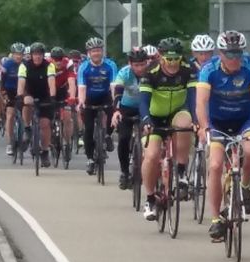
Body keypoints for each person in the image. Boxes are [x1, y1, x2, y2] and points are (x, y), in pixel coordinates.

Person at [195, 30, 250, 242]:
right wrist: (204, 127)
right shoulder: (209, 70)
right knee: (216, 166)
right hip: (217, 122)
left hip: (244, 121)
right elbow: (201, 102)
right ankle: (216, 219)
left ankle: (245, 187)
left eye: (238, 54)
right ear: (220, 53)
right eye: (229, 55)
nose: (234, 59)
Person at [139, 37, 197, 221]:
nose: (172, 63)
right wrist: (146, 119)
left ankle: (180, 172)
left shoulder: (188, 70)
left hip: (178, 111)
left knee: (186, 126)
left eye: (176, 59)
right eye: (168, 59)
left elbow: (194, 98)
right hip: (154, 117)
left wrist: (197, 120)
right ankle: (149, 199)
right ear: (161, 57)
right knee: (151, 156)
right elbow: (143, 101)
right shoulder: (151, 72)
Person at [77, 37, 117, 175]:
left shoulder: (110, 65)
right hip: (89, 98)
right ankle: (90, 159)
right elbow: (81, 87)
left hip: (105, 96)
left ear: (102, 51)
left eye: (99, 50)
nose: (96, 53)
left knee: (113, 111)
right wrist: (81, 102)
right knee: (88, 129)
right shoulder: (84, 67)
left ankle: (108, 136)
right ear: (89, 52)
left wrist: (115, 102)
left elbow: (113, 86)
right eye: (93, 51)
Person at [112, 47, 151, 189]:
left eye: (142, 64)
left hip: (146, 109)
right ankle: (124, 171)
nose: (140, 68)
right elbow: (117, 92)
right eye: (136, 65)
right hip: (126, 108)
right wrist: (116, 110)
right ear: (130, 63)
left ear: (147, 62)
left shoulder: (151, 72)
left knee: (148, 137)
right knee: (123, 138)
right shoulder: (124, 73)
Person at [16, 43, 56, 165]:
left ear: (43, 55)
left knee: (45, 124)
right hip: (30, 92)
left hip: (44, 94)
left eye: (40, 54)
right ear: (31, 55)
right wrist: (19, 96)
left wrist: (53, 97)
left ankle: (44, 152)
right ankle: (27, 128)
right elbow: (21, 82)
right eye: (35, 54)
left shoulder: (49, 65)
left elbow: (51, 82)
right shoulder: (24, 65)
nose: (37, 57)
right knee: (27, 102)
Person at [50, 46, 78, 158]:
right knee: (47, 118)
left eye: (60, 59)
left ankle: (67, 143)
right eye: (55, 59)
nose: (58, 62)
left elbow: (71, 81)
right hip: (50, 90)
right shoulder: (47, 63)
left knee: (67, 118)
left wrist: (72, 97)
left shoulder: (68, 63)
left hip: (63, 90)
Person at [0, 44, 25, 154]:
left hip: (22, 91)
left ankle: (25, 135)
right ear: (12, 54)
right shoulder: (7, 65)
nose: (18, 56)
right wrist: (3, 94)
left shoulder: (25, 64)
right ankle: (10, 143)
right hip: (10, 91)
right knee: (10, 115)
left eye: (20, 54)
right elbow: (1, 81)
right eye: (16, 54)